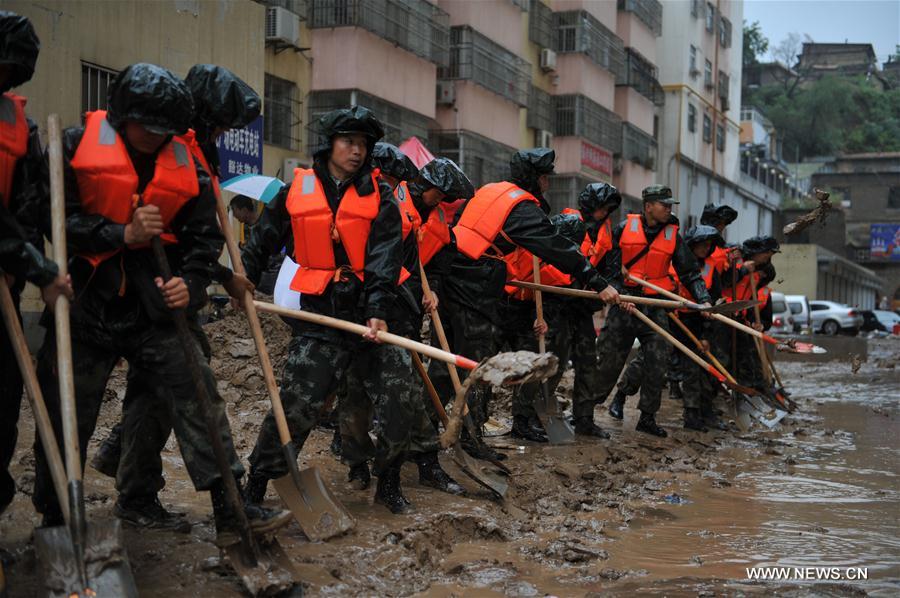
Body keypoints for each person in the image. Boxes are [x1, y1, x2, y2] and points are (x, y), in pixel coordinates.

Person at [29, 63, 289, 546]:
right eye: (146, 128)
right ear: (123, 116)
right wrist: (119, 234)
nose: (155, 137)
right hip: (86, 303)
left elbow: (201, 238)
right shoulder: (72, 146)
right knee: (67, 408)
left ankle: (231, 508)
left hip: (154, 305)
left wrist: (192, 283)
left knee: (196, 389)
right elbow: (50, 220)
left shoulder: (186, 161)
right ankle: (56, 517)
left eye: (163, 130)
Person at [89, 64, 262, 531]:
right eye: (220, 125)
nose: (223, 134)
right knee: (187, 385)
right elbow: (166, 234)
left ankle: (129, 478)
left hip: (168, 288)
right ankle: (214, 502)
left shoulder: (194, 154)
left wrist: (221, 276)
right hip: (133, 290)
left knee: (159, 389)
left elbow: (193, 236)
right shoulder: (167, 147)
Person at [239, 106, 419, 514]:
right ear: (329, 144)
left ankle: (389, 482)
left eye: (363, 145)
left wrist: (377, 308)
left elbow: (385, 259)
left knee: (399, 395)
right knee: (296, 405)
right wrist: (243, 279)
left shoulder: (381, 197)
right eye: (348, 142)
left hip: (372, 316)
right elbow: (261, 241)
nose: (357, 151)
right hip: (321, 314)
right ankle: (258, 482)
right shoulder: (295, 192)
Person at [428, 148, 623, 455]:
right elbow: (557, 248)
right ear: (535, 178)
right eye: (545, 178)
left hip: (450, 277)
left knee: (444, 362)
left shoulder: (490, 191)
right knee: (476, 364)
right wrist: (597, 282)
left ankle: (423, 433)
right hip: (474, 286)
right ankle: (471, 438)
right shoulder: (521, 208)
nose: (547, 184)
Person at [339, 145, 473, 505]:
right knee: (354, 396)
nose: (443, 203)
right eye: (441, 196)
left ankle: (417, 467)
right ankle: (357, 465)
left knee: (406, 395)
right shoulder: (382, 207)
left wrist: (433, 292)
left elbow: (434, 266)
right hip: (357, 317)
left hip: (400, 319)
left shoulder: (427, 217)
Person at [0, 10, 73, 516]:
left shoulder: (18, 125)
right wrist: (37, 268)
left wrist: (29, 266)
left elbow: (26, 210)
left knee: (3, 404)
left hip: (4, 282)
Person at [597, 185, 711, 437]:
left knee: (658, 361)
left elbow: (690, 273)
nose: (669, 209)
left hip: (656, 305)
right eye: (664, 204)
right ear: (648, 206)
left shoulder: (673, 236)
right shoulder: (623, 229)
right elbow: (608, 269)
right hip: (624, 304)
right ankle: (585, 412)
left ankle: (647, 417)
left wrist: (704, 299)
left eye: (670, 205)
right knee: (608, 361)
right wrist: (620, 294)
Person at [539, 183, 621, 437]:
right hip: (559, 304)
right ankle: (535, 414)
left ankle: (584, 418)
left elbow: (610, 271)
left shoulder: (606, 235)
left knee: (587, 362)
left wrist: (605, 293)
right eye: (602, 207)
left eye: (608, 209)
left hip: (583, 306)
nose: (604, 213)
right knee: (555, 360)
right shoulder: (565, 224)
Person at [715, 235, 779, 390]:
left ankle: (749, 391)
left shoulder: (758, 271)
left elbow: (750, 300)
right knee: (722, 358)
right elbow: (723, 282)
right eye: (766, 253)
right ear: (757, 251)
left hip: (740, 318)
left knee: (746, 357)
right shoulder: (734, 260)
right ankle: (718, 391)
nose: (768, 257)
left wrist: (755, 322)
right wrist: (742, 270)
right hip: (722, 315)